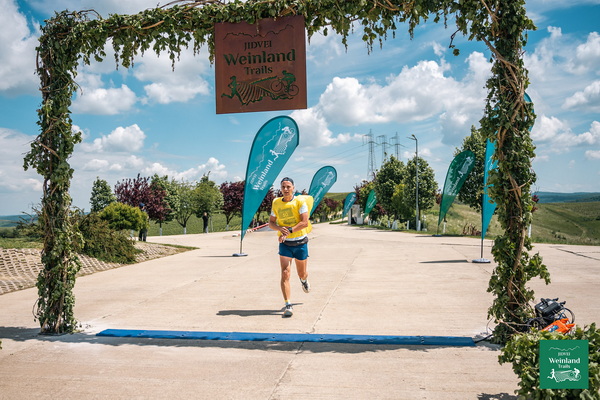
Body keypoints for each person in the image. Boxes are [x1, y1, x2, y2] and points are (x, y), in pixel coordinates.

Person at [268, 177, 311, 317]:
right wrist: (280, 229)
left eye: (288, 187)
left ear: (293, 188)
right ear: (280, 189)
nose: (285, 189)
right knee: (285, 273)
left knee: (301, 273)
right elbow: (271, 223)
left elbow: (304, 222)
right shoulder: (276, 202)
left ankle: (304, 280)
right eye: (283, 187)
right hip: (285, 244)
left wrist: (288, 231)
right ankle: (288, 304)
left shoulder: (299, 202)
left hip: (300, 242)